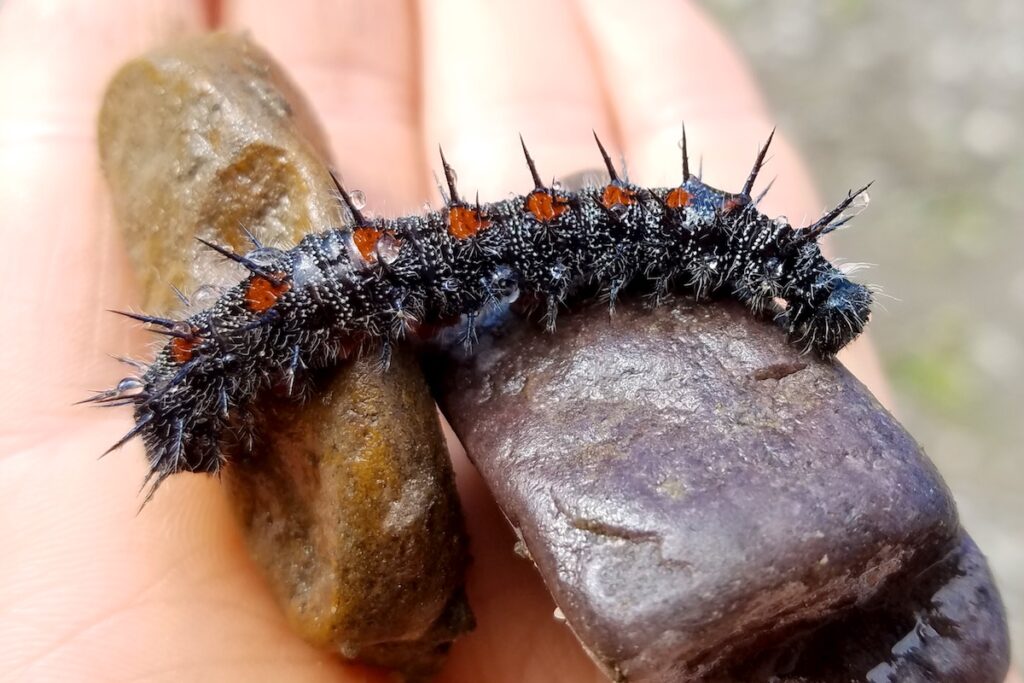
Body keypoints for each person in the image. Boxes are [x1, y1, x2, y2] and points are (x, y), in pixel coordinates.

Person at [1, 2, 1014, 682]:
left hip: (326, 302)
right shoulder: (667, 238)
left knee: (398, 270)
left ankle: (195, 380)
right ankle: (194, 384)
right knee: (394, 271)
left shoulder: (663, 243)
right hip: (305, 311)